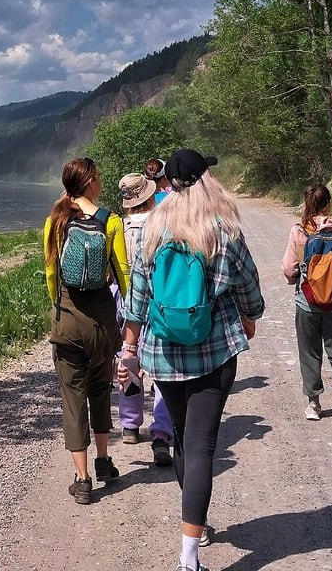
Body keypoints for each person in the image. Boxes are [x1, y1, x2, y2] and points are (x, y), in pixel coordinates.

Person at [119, 149, 265, 571]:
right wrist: (249, 317)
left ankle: (193, 526)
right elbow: (249, 285)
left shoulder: (153, 228)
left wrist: (129, 349)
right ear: (205, 180)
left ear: (168, 184)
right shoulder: (222, 229)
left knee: (183, 437)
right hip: (214, 351)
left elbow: (137, 299)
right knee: (202, 445)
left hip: (164, 353)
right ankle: (188, 557)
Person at [44, 157, 130, 505]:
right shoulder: (111, 220)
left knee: (73, 399)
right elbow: (123, 272)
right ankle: (103, 460)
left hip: (67, 319)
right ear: (90, 181)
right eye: (99, 177)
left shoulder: (55, 220)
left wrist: (59, 306)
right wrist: (131, 319)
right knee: (99, 390)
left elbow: (51, 273)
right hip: (102, 320)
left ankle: (82, 481)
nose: (102, 181)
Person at [281, 183, 332, 428]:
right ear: (329, 203)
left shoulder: (299, 231)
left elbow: (288, 269)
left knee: (309, 352)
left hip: (308, 302)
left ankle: (314, 404)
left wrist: (296, 278)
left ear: (307, 203)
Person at [117, 172, 175, 466]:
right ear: (150, 196)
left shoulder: (118, 227)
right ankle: (162, 430)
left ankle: (130, 424)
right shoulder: (161, 225)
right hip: (158, 303)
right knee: (162, 367)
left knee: (129, 360)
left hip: (126, 302)